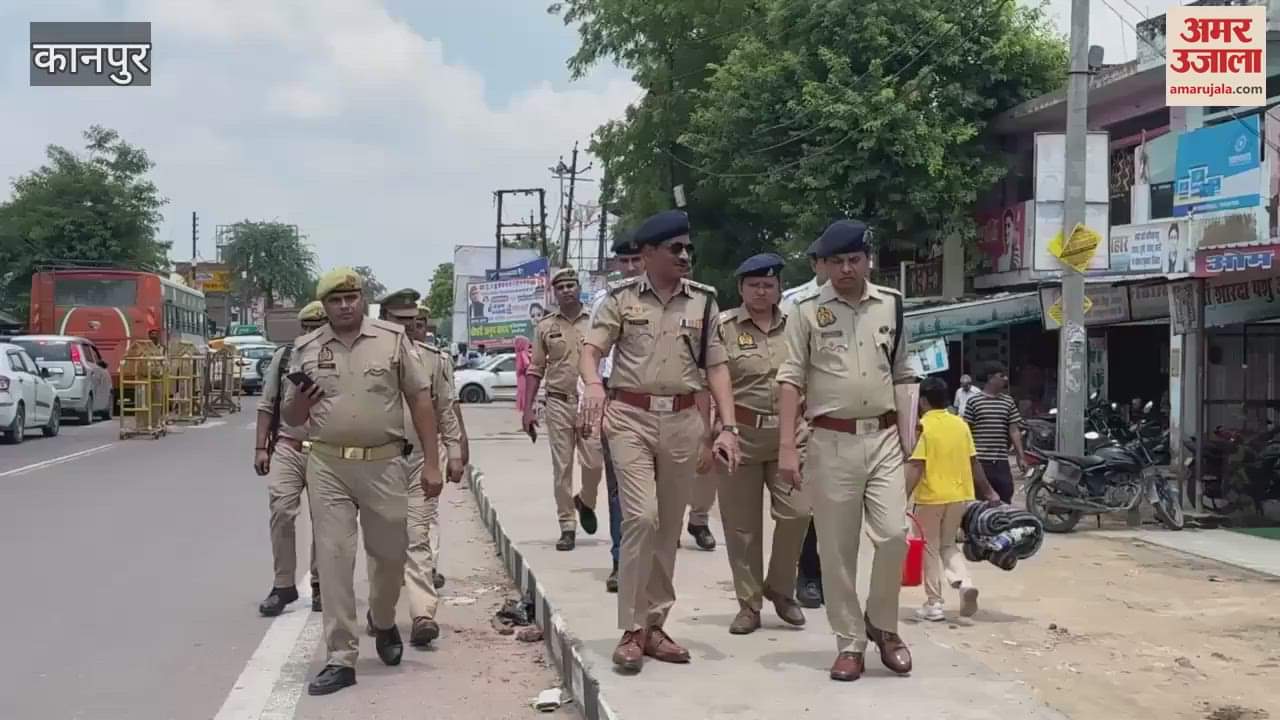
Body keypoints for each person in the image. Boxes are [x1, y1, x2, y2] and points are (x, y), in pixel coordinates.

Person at [579, 209, 742, 673]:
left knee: (669, 526)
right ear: (648, 254)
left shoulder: (705, 302)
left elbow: (716, 368)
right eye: (675, 248)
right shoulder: (620, 299)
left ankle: (655, 624)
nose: (685, 255)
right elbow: (591, 351)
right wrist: (593, 385)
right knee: (642, 518)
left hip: (684, 421)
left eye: (687, 247)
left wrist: (726, 428)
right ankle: (631, 628)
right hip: (628, 417)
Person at [282, 267, 440, 696]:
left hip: (385, 464)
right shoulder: (306, 349)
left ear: (362, 300)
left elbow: (420, 400)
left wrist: (432, 462)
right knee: (333, 560)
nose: (345, 305)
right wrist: (299, 401)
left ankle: (384, 621)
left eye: (352, 297)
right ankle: (341, 657)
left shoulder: (392, 340)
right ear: (326, 306)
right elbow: (291, 419)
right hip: (328, 465)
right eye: (336, 300)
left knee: (390, 555)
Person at [777, 219, 919, 683]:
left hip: (882, 440)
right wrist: (787, 450)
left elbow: (903, 371)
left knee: (894, 534)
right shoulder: (804, 310)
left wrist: (910, 438)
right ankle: (850, 643)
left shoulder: (892, 306)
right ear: (824, 264)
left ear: (868, 260)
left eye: (853, 259)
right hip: (829, 440)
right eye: (835, 261)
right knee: (838, 550)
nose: (845, 268)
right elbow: (790, 379)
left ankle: (883, 624)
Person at [713, 253, 809, 635]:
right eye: (753, 285)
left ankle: (780, 587)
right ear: (740, 288)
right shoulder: (722, 328)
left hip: (791, 436)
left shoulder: (797, 325)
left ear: (779, 288)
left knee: (799, 512)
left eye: (769, 284)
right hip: (740, 436)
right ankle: (749, 604)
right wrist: (715, 432)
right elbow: (710, 378)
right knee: (742, 528)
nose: (761, 291)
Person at [377, 289, 466, 648]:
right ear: (384, 319)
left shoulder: (432, 360)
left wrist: (454, 451)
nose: (408, 326)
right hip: (378, 464)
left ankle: (422, 614)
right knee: (383, 544)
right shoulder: (368, 356)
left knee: (418, 535)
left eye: (412, 319)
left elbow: (445, 407)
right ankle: (381, 611)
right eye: (399, 320)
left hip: (418, 460)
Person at [253, 300, 328, 617]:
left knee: (326, 521)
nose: (313, 334)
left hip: (328, 450)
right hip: (289, 446)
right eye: (308, 328)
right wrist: (260, 448)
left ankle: (321, 585)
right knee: (282, 510)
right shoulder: (285, 358)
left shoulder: (342, 359)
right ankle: (283, 584)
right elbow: (266, 404)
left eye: (319, 328)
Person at [580, 233, 645, 592]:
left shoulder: (676, 297)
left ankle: (651, 560)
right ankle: (622, 561)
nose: (632, 267)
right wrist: (591, 407)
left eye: (638, 260)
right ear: (617, 264)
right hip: (618, 404)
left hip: (667, 409)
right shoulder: (607, 301)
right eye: (626, 261)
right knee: (620, 489)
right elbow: (591, 356)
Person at [905, 377, 1000, 623]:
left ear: (923, 401)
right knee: (948, 545)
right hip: (959, 496)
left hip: (930, 497)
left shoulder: (922, 427)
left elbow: (917, 465)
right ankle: (965, 583)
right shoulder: (960, 425)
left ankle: (934, 603)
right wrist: (989, 492)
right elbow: (973, 461)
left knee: (929, 547)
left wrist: (901, 496)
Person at [523, 267, 604, 551]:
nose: (567, 290)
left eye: (571, 285)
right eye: (561, 287)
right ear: (554, 293)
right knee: (563, 467)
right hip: (558, 402)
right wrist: (528, 408)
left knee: (594, 462)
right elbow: (535, 368)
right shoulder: (545, 326)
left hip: (590, 403)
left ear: (579, 287)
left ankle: (586, 501)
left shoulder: (597, 321)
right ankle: (567, 525)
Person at [782, 239, 827, 610]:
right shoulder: (794, 303)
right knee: (808, 504)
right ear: (816, 263)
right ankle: (808, 575)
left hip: (853, 421)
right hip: (808, 416)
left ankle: (830, 575)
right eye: (833, 260)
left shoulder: (875, 304)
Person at [963, 363, 1027, 504]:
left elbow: (1014, 431)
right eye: (1001, 375)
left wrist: (1020, 457)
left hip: (1000, 461)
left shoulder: (1008, 402)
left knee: (1005, 494)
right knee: (980, 500)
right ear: (990, 378)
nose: (1005, 378)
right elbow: (966, 431)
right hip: (980, 461)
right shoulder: (974, 402)